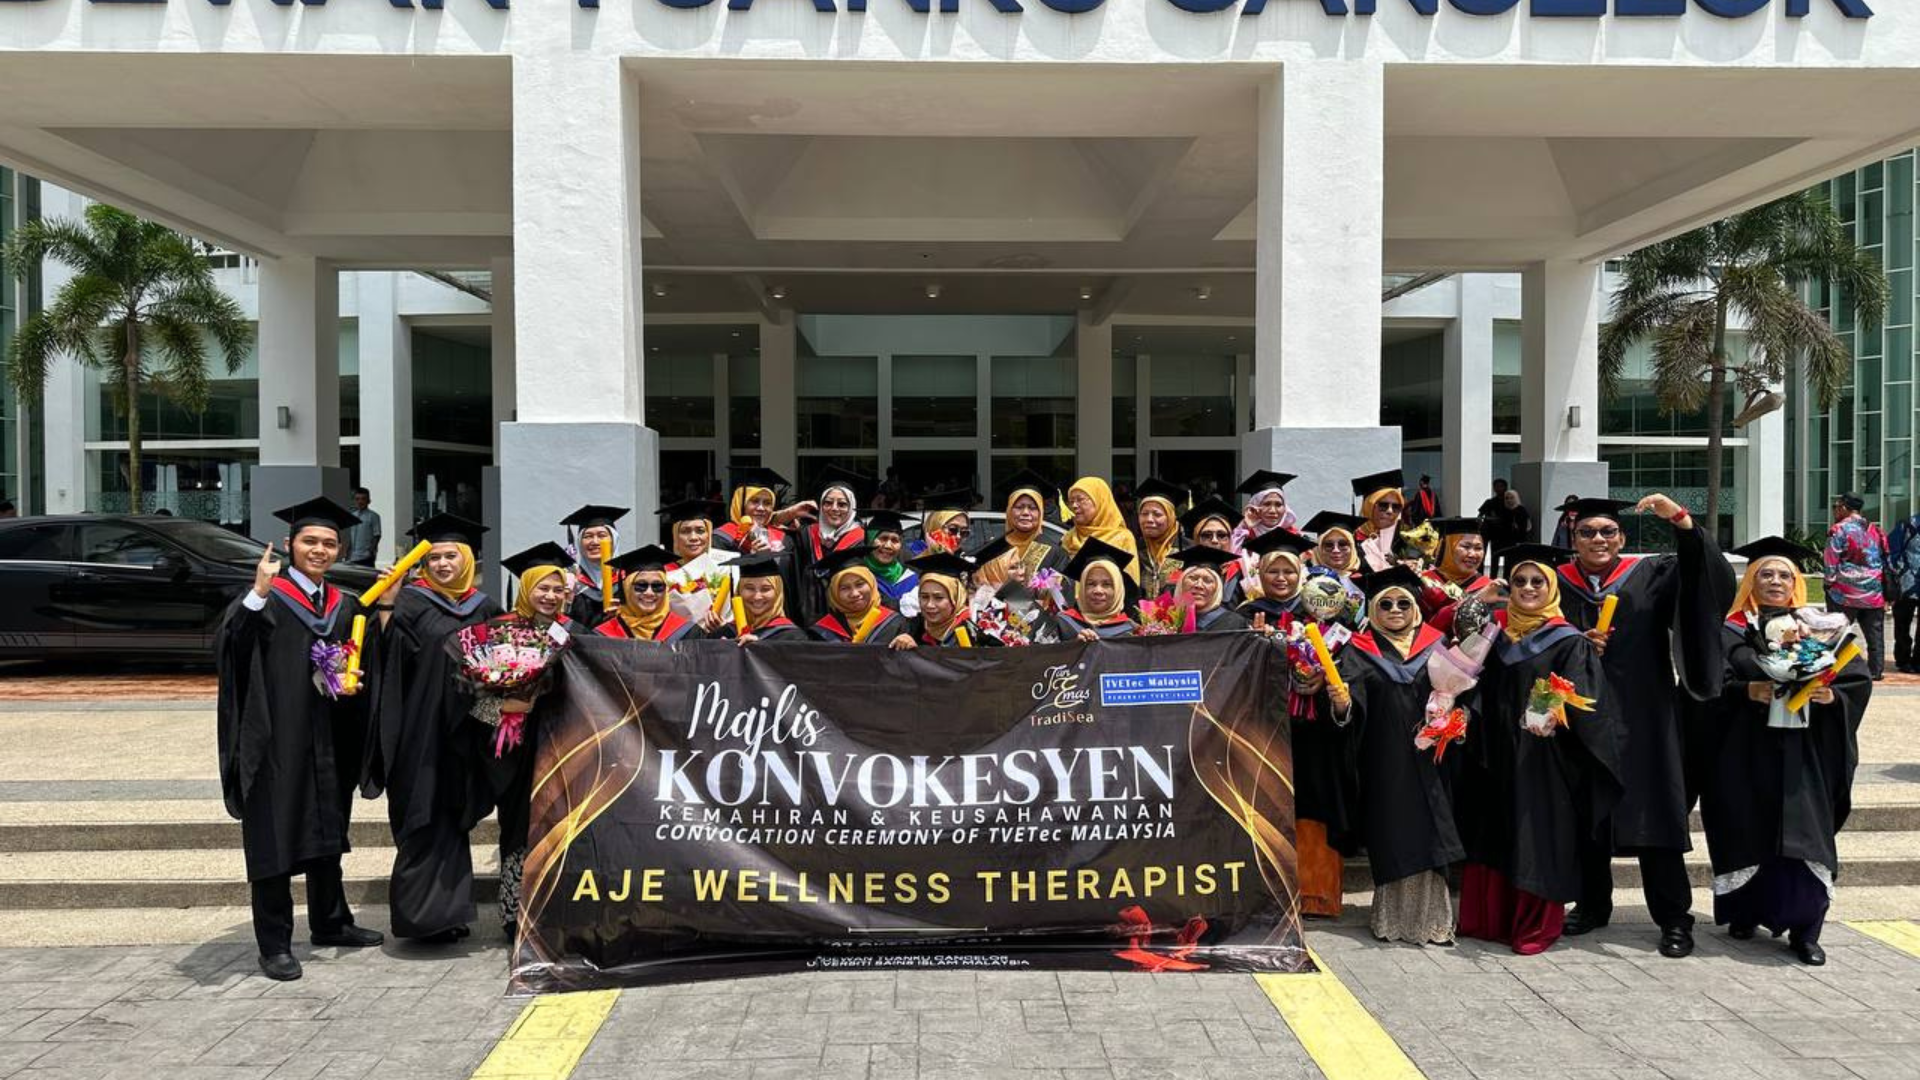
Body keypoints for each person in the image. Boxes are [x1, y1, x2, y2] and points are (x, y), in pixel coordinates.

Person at [1553, 495, 1735, 958]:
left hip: (1645, 715)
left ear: (1622, 538)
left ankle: (1674, 919)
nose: (1599, 539)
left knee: (1654, 814)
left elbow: (1704, 578)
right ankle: (1593, 904)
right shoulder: (1557, 582)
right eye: (1588, 533)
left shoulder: (1651, 573)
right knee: (1588, 813)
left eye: (1607, 532)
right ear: (1573, 540)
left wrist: (1681, 522)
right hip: (1582, 713)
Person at [214, 496, 385, 981]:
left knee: (328, 829)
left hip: (330, 737)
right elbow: (230, 648)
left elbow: (362, 660)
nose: (320, 549)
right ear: (290, 544)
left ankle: (331, 921)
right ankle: (274, 943)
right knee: (274, 833)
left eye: (329, 543)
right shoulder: (268, 599)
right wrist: (256, 594)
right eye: (310, 541)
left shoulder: (344, 604)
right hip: (277, 739)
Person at [1703, 537, 1872, 966]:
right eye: (1765, 574)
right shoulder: (1730, 629)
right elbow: (1706, 689)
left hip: (1805, 753)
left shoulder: (1822, 628)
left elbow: (1854, 679)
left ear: (1796, 582)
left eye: (1783, 575)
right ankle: (1744, 913)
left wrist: (1833, 699)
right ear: (1750, 583)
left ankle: (1806, 929)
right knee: (1745, 828)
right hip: (1745, 751)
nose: (1775, 581)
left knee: (1806, 836)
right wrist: (1748, 692)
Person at [1459, 545, 1623, 956]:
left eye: (1537, 582)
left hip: (1544, 757)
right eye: (1519, 582)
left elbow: (1585, 696)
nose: (1528, 588)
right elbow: (1471, 679)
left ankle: (1533, 923)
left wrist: (1554, 715)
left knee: (1536, 833)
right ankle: (1492, 918)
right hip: (1496, 753)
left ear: (1551, 589)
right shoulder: (1496, 636)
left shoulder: (1568, 641)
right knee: (1496, 828)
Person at [363, 513, 502, 944]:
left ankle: (452, 913)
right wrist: (386, 604)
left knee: (452, 818)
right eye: (435, 557)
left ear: (468, 559)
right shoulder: (409, 602)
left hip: (465, 730)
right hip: (418, 732)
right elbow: (386, 657)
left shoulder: (485, 607)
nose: (443, 564)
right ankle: (418, 919)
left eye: (451, 556)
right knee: (421, 816)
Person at [1328, 566, 1463, 946]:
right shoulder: (1359, 649)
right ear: (1372, 610)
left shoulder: (1439, 646)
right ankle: (1391, 920)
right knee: (1392, 835)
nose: (1394, 609)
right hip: (1383, 761)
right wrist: (1341, 705)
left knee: (1432, 832)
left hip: (1434, 759)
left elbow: (1464, 698)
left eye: (1404, 602)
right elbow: (1349, 707)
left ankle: (1432, 922)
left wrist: (1456, 717)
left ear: (1417, 607)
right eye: (1384, 604)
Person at [484, 541, 576, 941]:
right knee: (518, 828)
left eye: (557, 589)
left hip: (565, 748)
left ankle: (559, 908)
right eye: (542, 587)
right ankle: (514, 912)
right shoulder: (499, 632)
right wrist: (504, 709)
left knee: (562, 827)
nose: (550, 596)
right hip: (517, 751)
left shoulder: (576, 634)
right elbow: (470, 692)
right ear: (526, 588)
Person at [791, 466, 870, 625]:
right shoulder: (806, 535)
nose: (834, 508)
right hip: (808, 619)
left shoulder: (863, 539)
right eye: (828, 503)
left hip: (848, 620)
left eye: (842, 504)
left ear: (851, 508)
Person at [1825, 493, 1889, 680]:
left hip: (1844, 593)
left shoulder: (1838, 530)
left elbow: (1831, 559)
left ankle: (1838, 668)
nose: (1835, 511)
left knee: (1838, 631)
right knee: (1875, 634)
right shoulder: (1875, 529)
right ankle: (1876, 671)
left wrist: (1829, 582)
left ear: (1845, 507)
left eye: (1836, 507)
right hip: (1873, 592)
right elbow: (1886, 556)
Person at [593, 545, 707, 642]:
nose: (649, 592)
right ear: (626, 589)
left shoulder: (687, 633)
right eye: (640, 586)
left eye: (657, 586)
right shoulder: (603, 636)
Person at [890, 554, 999, 649]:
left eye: (939, 598)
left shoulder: (975, 630)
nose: (929, 605)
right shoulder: (914, 625)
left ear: (955, 598)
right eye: (924, 597)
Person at [811, 545, 912, 644]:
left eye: (860, 584)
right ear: (834, 593)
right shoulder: (820, 633)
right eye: (844, 588)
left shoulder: (894, 624)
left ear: (872, 583)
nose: (854, 594)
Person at [984, 470, 1069, 580]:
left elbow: (1063, 593)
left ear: (1041, 513)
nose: (1025, 513)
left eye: (1033, 508)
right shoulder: (993, 550)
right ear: (1009, 511)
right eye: (1019, 507)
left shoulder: (1055, 553)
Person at [1419, 517, 1498, 633]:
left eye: (1478, 548)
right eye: (1466, 547)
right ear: (1447, 549)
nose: (1472, 554)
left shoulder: (1490, 588)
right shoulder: (1422, 582)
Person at [1056, 538, 1139, 641]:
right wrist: (1074, 646)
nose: (1098, 591)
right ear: (1082, 588)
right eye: (1091, 584)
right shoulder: (1062, 622)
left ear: (1118, 590)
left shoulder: (1132, 631)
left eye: (1107, 584)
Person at [559, 504, 628, 625]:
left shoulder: (628, 579)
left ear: (614, 541)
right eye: (588, 536)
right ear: (580, 542)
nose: (595, 542)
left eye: (602, 535)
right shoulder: (570, 581)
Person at [1062, 477, 1141, 583]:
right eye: (1071, 501)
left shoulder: (1122, 538)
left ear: (1100, 501)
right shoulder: (1068, 537)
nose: (1074, 506)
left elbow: (1130, 583)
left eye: (1080, 500)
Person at [718, 554, 811, 643]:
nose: (757, 596)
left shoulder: (794, 638)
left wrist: (761, 649)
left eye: (766, 589)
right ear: (739, 591)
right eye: (749, 588)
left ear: (778, 592)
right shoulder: (724, 634)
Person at [1180, 497, 1248, 605]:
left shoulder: (1243, 575)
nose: (1215, 540)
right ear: (1196, 538)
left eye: (1222, 535)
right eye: (1207, 535)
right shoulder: (1181, 575)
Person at [1352, 469, 1423, 572]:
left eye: (1396, 507)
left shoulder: (1403, 538)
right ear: (1368, 506)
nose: (1390, 511)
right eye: (1383, 505)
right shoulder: (1349, 540)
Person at [1237, 528, 1314, 621]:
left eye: (1289, 572)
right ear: (1261, 573)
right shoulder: (1247, 613)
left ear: (1299, 573)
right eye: (1273, 571)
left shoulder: (1314, 609)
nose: (1280, 578)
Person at [1167, 546, 1251, 632]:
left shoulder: (1234, 624)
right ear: (1181, 583)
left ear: (1217, 588)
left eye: (1207, 581)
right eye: (1193, 578)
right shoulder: (1163, 620)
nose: (1199, 585)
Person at [1132, 477, 1188, 600]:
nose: (1149, 520)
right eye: (1144, 514)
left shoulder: (1187, 550)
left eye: (1157, 514)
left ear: (1171, 517)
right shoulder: (1134, 549)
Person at [863, 510, 921, 616]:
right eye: (883, 538)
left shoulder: (912, 577)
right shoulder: (859, 576)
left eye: (895, 540)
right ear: (870, 539)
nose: (888, 546)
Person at [1230, 470, 1297, 552]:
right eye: (1267, 504)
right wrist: (1244, 526)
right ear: (1255, 506)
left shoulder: (1294, 536)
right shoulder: (1243, 536)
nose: (1272, 510)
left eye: (1278, 504)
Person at [1887, 507, 1920, 674]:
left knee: (1902, 624)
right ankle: (1904, 659)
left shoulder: (1906, 524)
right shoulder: (1907, 525)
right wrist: (1897, 573)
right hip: (1906, 584)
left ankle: (1911, 660)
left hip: (1906, 582)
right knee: (1902, 624)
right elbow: (1891, 551)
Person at [1477, 479, 1516, 552]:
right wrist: (1481, 522)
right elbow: (1480, 515)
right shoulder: (1490, 502)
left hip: (1505, 532)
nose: (1498, 488)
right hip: (1490, 530)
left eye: (1501, 486)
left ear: (1505, 487)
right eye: (1496, 486)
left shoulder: (1510, 503)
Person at [346, 487, 381, 567]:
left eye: (363, 499)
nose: (360, 502)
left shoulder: (373, 516)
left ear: (368, 501)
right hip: (352, 557)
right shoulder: (352, 516)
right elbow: (350, 536)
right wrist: (347, 554)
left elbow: (377, 535)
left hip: (366, 557)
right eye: (357, 499)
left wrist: (371, 551)